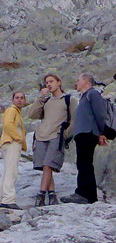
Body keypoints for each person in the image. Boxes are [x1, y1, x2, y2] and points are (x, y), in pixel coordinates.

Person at [28, 73, 78, 206]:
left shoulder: (69, 100)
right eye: (46, 83)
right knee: (45, 166)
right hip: (41, 135)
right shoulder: (46, 101)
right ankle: (52, 195)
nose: (49, 84)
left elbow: (75, 120)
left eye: (51, 81)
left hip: (56, 136)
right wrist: (41, 97)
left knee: (48, 164)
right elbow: (32, 114)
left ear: (59, 82)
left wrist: (65, 134)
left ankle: (41, 195)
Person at [61, 74, 107, 204]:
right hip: (84, 133)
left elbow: (101, 114)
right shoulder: (86, 96)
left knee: (84, 163)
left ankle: (83, 193)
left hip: (88, 133)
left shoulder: (92, 94)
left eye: (78, 80)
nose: (76, 83)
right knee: (84, 163)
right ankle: (90, 196)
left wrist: (101, 132)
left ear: (86, 82)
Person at [0, 91, 27, 210]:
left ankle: (3, 197)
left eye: (22, 98)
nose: (19, 100)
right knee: (12, 171)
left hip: (8, 142)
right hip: (12, 143)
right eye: (17, 98)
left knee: (7, 171)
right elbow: (8, 125)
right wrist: (18, 138)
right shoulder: (12, 110)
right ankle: (8, 199)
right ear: (12, 100)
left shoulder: (16, 111)